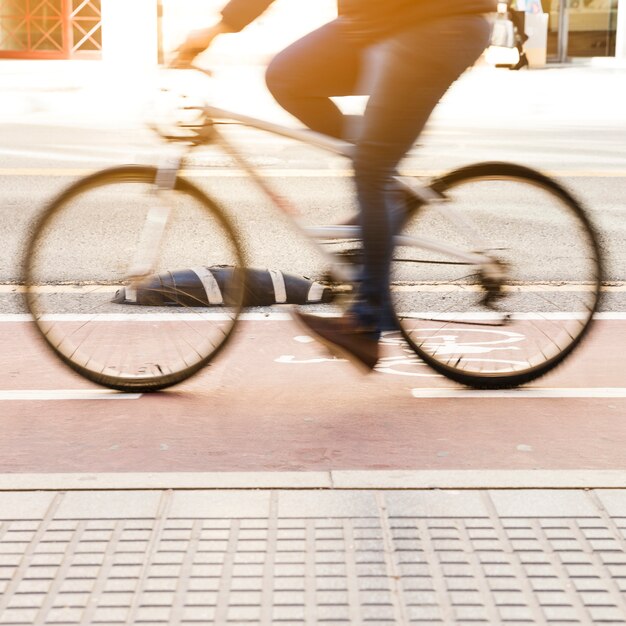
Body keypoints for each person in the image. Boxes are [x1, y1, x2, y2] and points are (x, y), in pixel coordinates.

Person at [173, 0, 497, 371]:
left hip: (434, 22)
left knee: (371, 168)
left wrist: (217, 29)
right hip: (379, 22)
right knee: (286, 75)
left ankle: (365, 322)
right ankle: (386, 182)